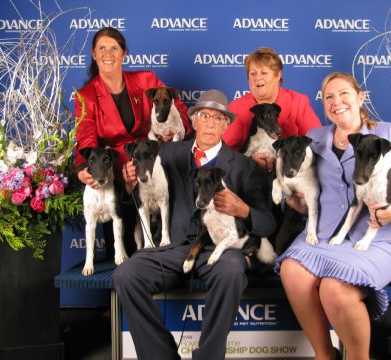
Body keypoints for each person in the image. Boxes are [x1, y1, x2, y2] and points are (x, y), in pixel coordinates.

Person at [276, 72, 391, 360]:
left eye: (344, 94)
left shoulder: (386, 134)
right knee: (291, 271)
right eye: (328, 97)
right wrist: (293, 197)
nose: (336, 102)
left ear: (360, 97)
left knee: (334, 289)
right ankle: (324, 355)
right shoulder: (315, 139)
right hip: (324, 236)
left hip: (375, 241)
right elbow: (304, 184)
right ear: (323, 104)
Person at [113, 89, 277, 360]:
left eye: (218, 118)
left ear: (226, 125)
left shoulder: (244, 166)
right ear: (192, 121)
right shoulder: (166, 152)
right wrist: (130, 184)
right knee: (126, 275)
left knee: (232, 271)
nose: (210, 123)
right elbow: (143, 196)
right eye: (204, 116)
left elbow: (268, 223)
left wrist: (244, 210)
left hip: (219, 251)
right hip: (173, 247)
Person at [74, 27, 191, 255]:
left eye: (114, 48)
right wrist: (82, 169)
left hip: (154, 162)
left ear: (124, 53)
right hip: (116, 175)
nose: (108, 54)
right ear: (94, 54)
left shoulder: (146, 80)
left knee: (171, 243)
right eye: (102, 49)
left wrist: (172, 131)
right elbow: (85, 136)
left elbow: (179, 110)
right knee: (124, 255)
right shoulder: (85, 95)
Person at [222, 47, 321, 172]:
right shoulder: (236, 107)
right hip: (249, 175)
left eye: (264, 73)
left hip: (291, 173)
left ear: (278, 75)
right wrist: (249, 162)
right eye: (253, 73)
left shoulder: (298, 102)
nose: (258, 78)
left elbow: (317, 144)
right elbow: (226, 152)